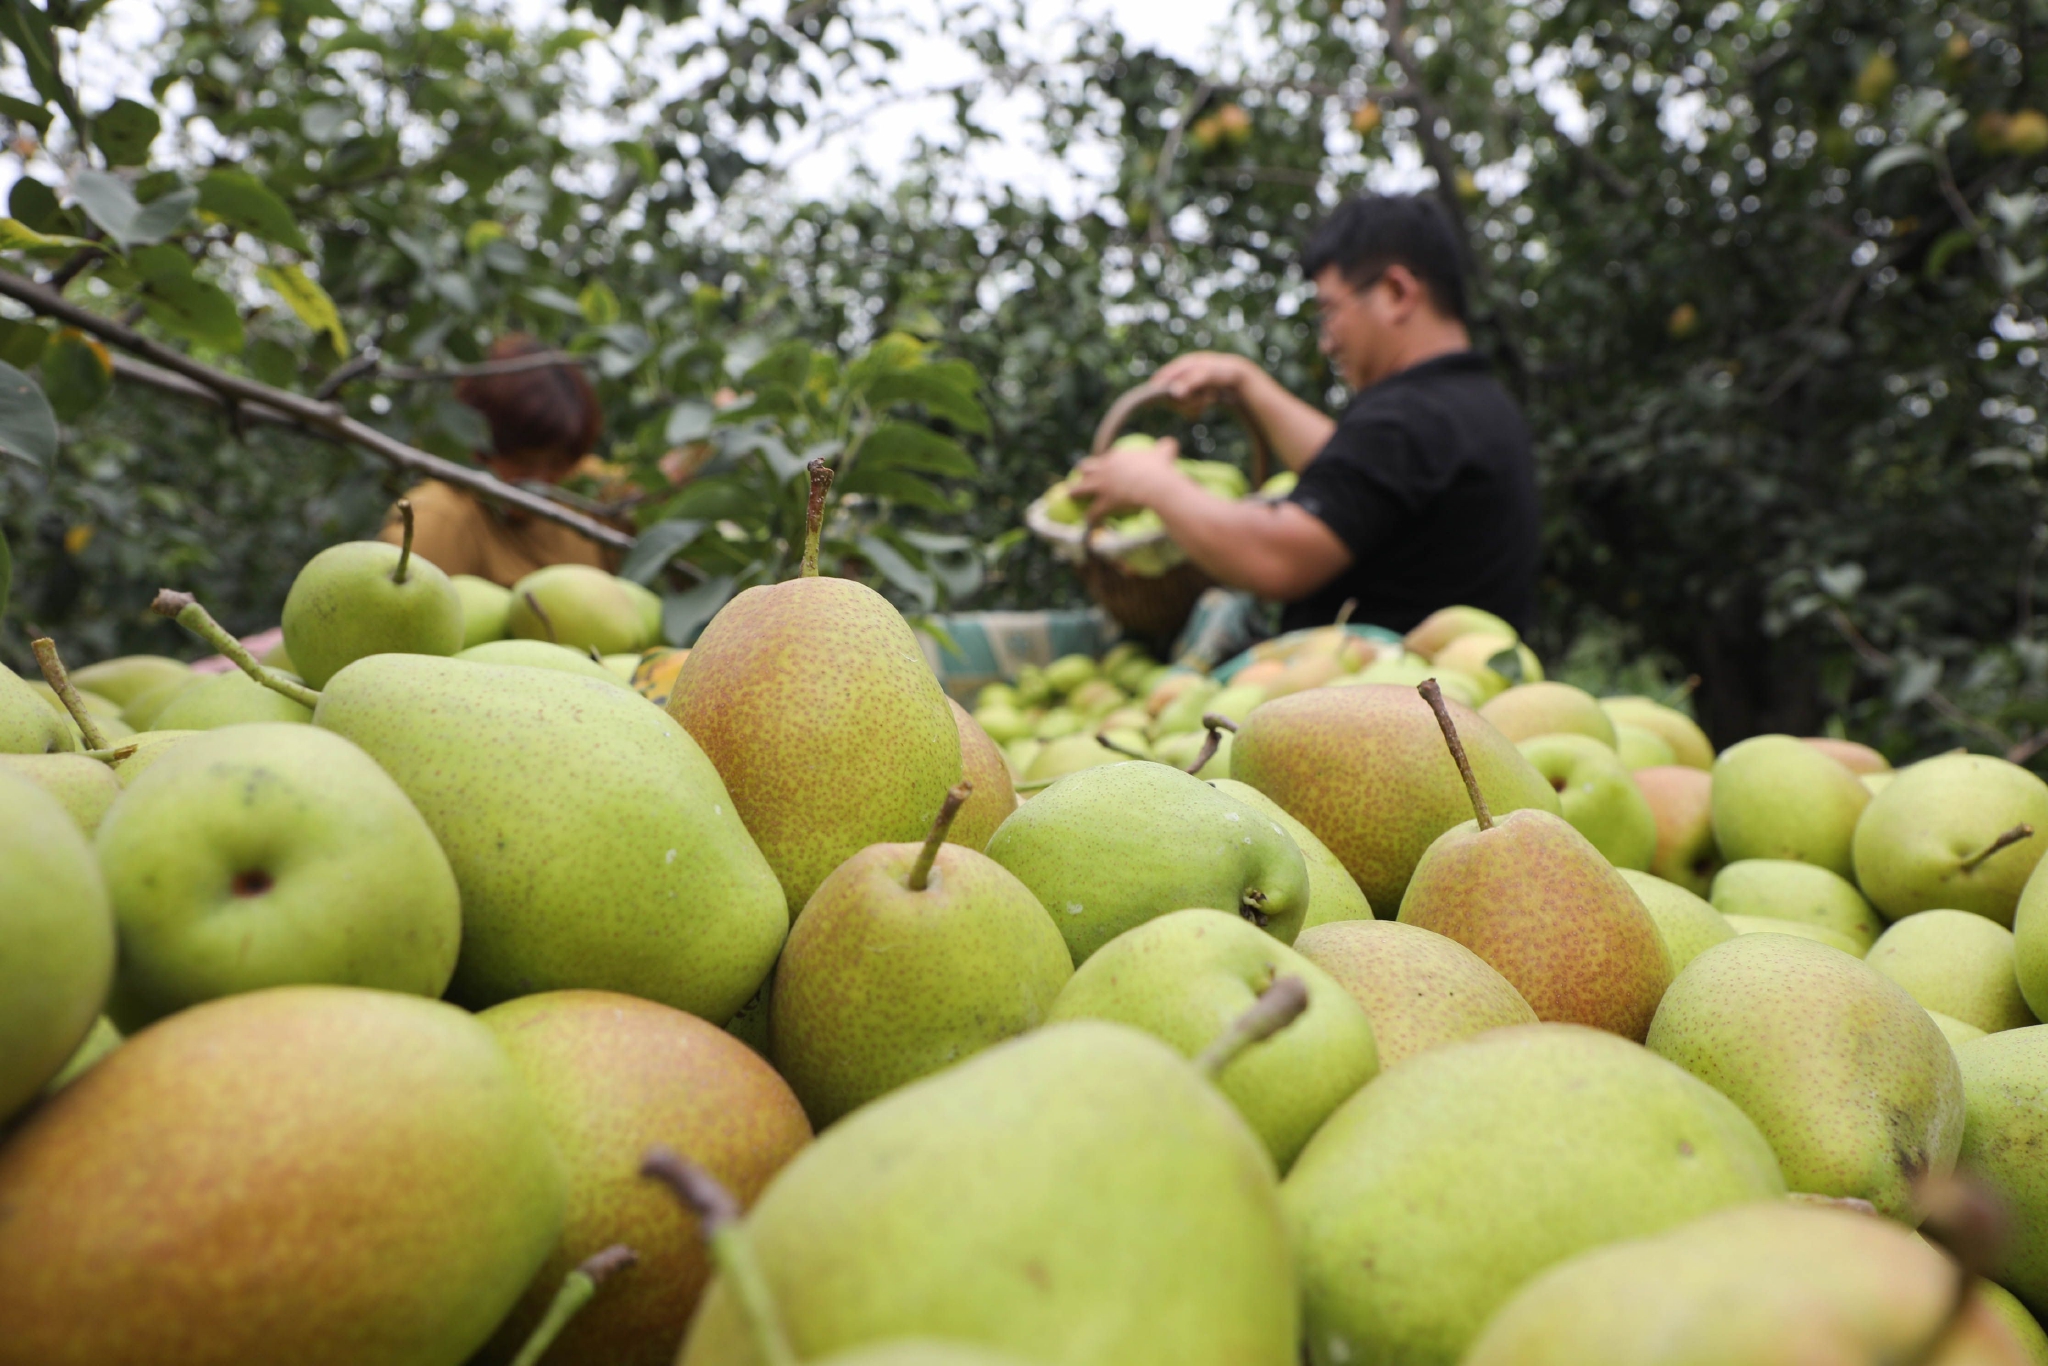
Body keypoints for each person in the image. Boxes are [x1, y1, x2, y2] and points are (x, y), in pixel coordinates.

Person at [1069, 192, 1538, 637]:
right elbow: (1355, 481)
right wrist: (1246, 382)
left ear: (1397, 292)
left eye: (1330, 311)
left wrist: (1152, 485)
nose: (1326, 341)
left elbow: (1279, 559)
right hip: (1450, 696)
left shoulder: (1405, 418)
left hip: (1385, 707)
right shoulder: (1471, 404)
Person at [375, 335, 618, 585]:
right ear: (478, 446)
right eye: (523, 462)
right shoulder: (440, 520)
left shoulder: (582, 489)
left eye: (558, 464)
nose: (542, 481)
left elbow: (648, 492)